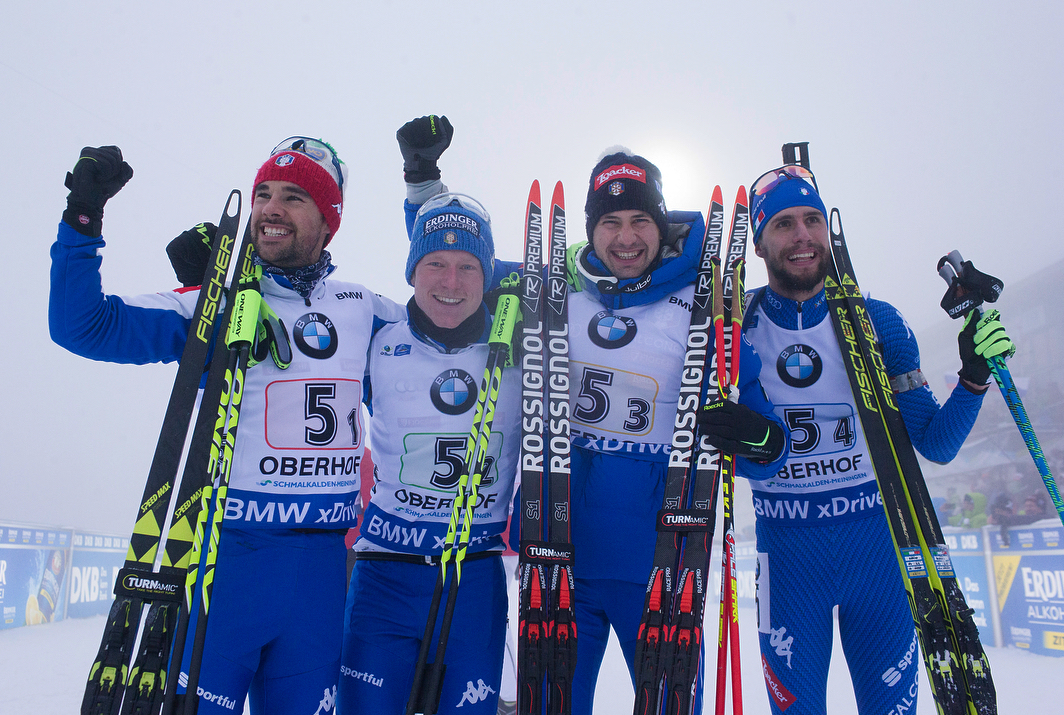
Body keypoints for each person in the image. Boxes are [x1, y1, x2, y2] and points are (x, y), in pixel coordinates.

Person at [393, 117, 790, 715]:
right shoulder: (549, 291)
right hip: (557, 566)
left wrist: (755, 434)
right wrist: (423, 180)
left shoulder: (704, 310)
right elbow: (450, 264)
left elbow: (771, 454)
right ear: (590, 230)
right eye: (610, 223)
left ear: (660, 227)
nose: (625, 238)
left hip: (661, 573)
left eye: (639, 222)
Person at [50, 140, 404, 714]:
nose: (271, 207)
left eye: (293, 197)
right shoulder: (213, 303)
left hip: (321, 575)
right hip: (223, 564)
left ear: (328, 220)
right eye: (264, 193)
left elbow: (452, 321)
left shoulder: (365, 309)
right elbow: (82, 326)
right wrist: (83, 217)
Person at [740, 162, 1015, 715]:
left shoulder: (879, 322)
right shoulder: (734, 325)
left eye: (812, 220)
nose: (802, 237)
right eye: (783, 224)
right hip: (788, 563)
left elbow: (935, 443)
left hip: (881, 558)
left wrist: (973, 378)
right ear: (760, 241)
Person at [337, 184, 521, 714]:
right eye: (435, 263)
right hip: (384, 579)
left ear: (488, 276)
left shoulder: (527, 344)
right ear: (411, 271)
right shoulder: (377, 336)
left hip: (475, 579)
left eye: (468, 267)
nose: (450, 281)